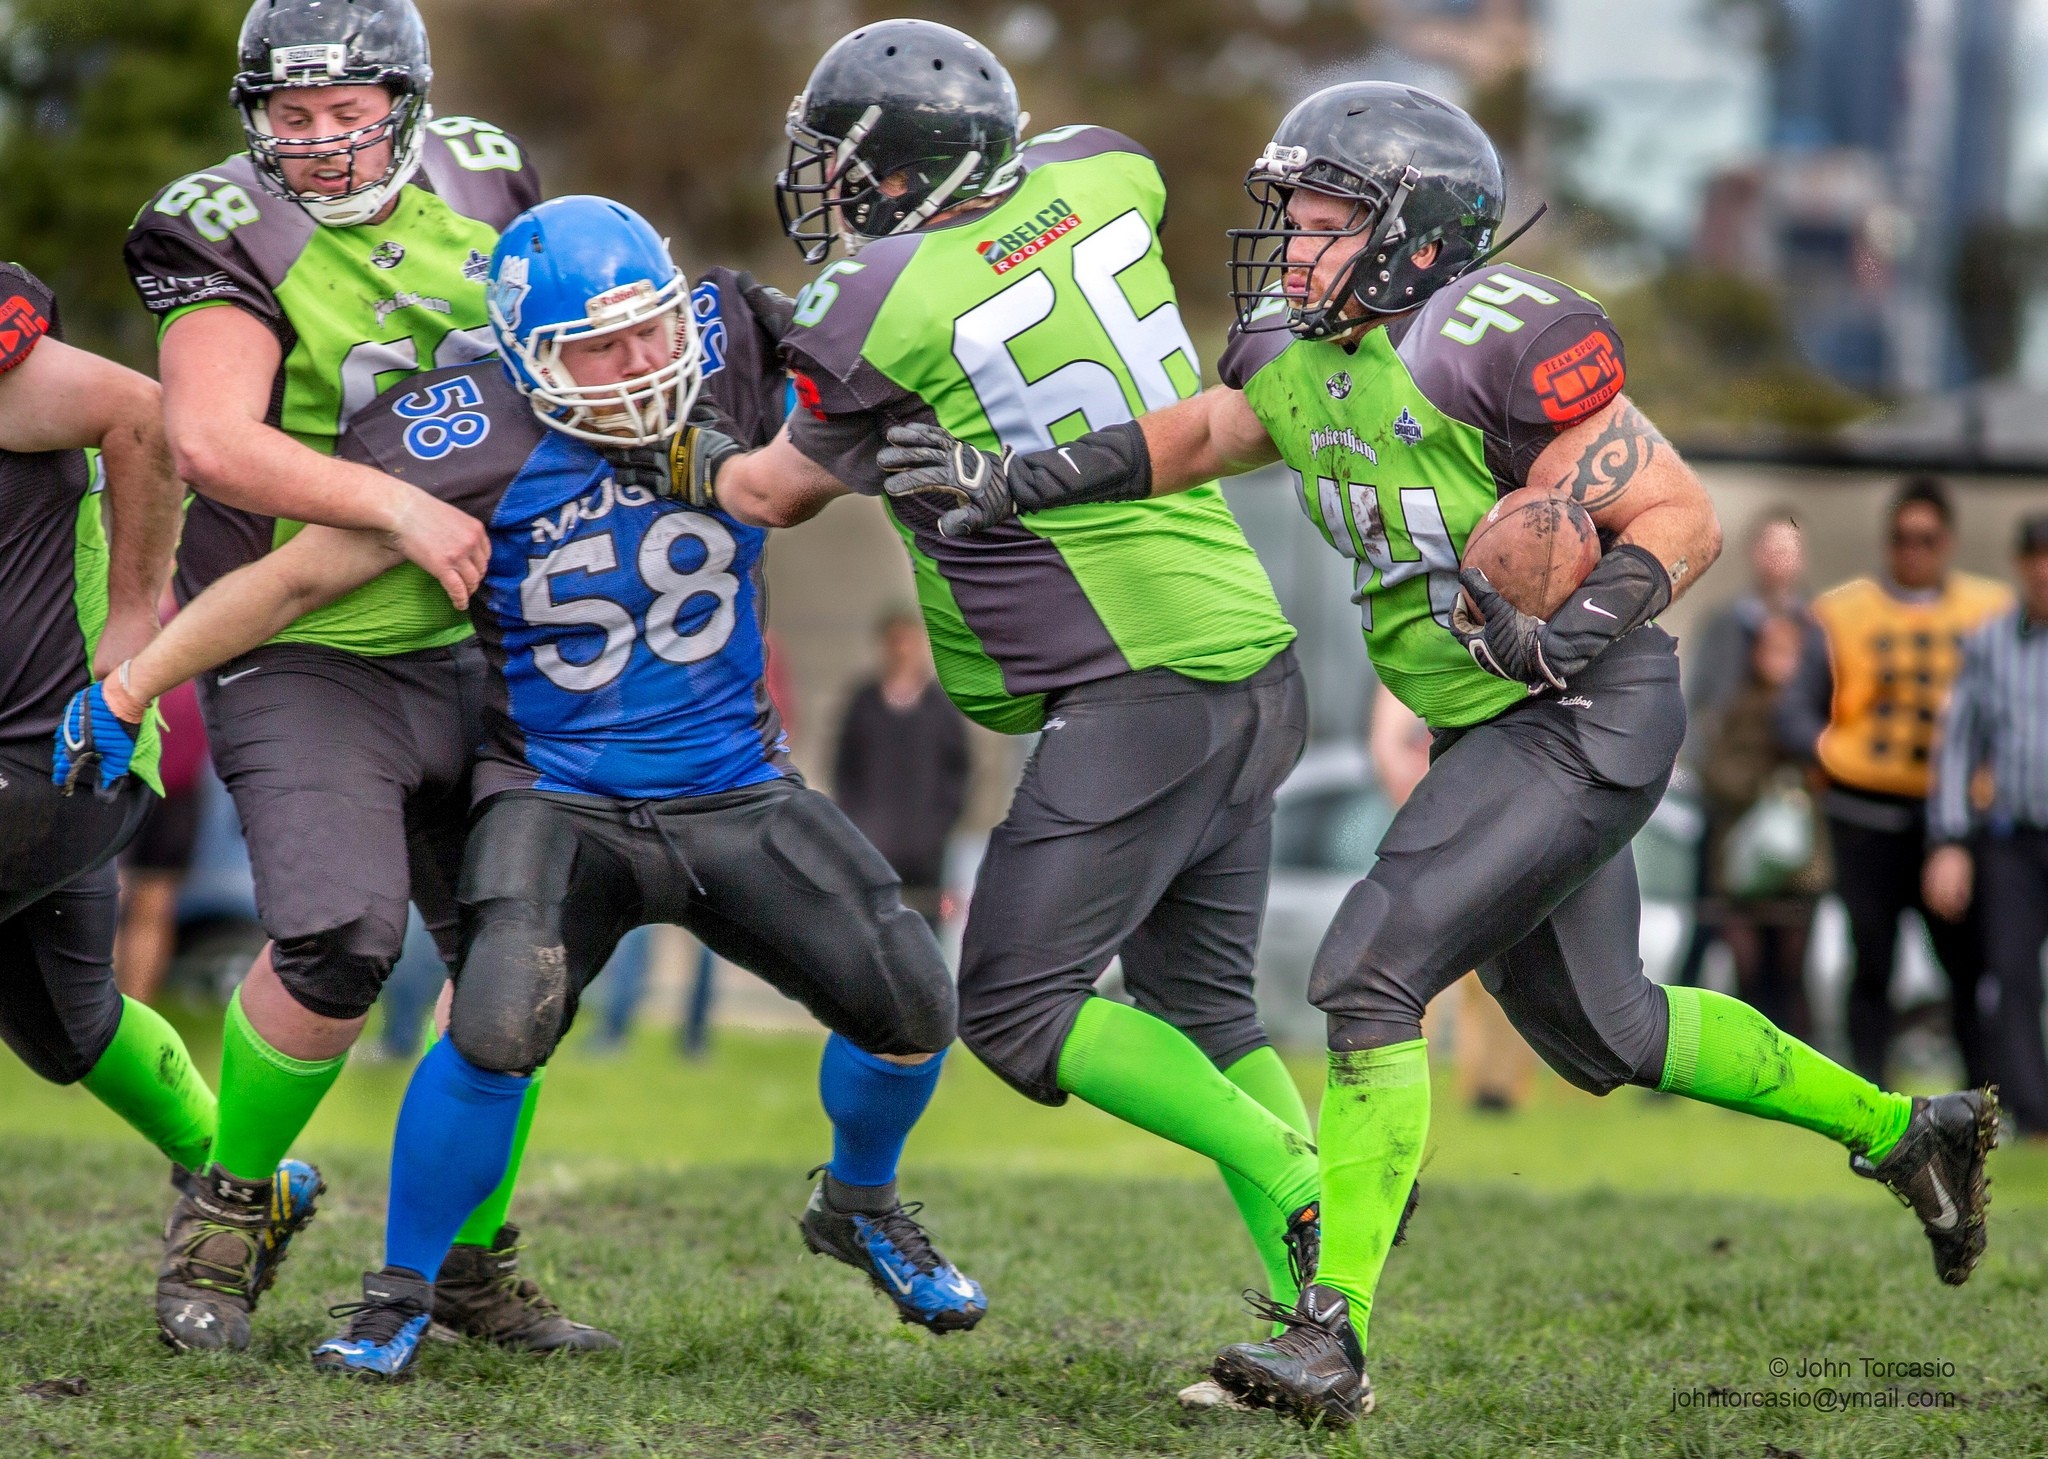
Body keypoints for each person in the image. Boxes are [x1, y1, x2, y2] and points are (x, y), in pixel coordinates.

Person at [880, 81, 2001, 1426]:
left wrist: (1563, 634)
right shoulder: (1292, 350)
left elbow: (1683, 516)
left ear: (1412, 230)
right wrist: (1013, 478)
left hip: (1583, 706)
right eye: (1288, 218)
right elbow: (1196, 436)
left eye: (1322, 220)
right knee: (1611, 1026)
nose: (1290, 246)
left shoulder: (1492, 340)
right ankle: (1905, 1130)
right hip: (1495, 720)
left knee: (1368, 970)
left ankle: (1329, 1334)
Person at [76, 197, 983, 1381]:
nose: (640, 366)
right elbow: (298, 580)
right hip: (561, 796)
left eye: (653, 333)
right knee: (495, 1021)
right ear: (522, 354)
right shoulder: (463, 432)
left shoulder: (743, 348)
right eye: (597, 350)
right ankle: (403, 1287)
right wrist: (137, 678)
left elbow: (910, 367)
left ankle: (858, 1205)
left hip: (735, 785)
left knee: (914, 1002)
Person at [703, 19, 1330, 1366]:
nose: (839, 193)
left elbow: (770, 490)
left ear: (905, 168)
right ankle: (1328, 1292)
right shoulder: (1110, 170)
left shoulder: (875, 304)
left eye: (852, 165)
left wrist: (697, 437)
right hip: (1247, 652)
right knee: (1210, 1008)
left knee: (1015, 1005)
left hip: (1141, 681)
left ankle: (1308, 1187)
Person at [121, 0, 603, 1356]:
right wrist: (397, 507)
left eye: (347, 111)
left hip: (491, 626)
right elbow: (211, 440)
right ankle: (230, 1199)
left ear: (410, 97)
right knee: (339, 938)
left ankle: (463, 1254)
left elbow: (553, 354)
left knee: (523, 960)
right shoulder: (209, 220)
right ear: (253, 110)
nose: (321, 141)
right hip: (306, 641)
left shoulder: (491, 169)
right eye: (291, 112)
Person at [0, 263, 221, 1196]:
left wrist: (135, 612)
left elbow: (140, 412)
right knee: (72, 1028)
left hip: (47, 752)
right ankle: (247, 1176)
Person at [1778, 478, 2011, 1087]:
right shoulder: (1840, 612)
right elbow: (1795, 708)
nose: (1913, 551)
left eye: (1926, 539)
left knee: (1969, 964)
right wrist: (1825, 752)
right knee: (1872, 960)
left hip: (1956, 819)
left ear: (1948, 542)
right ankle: (1869, 1096)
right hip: (1865, 813)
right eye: (1902, 539)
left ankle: (1985, 1098)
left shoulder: (1989, 612)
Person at [1925, 513, 2048, 1137]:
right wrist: (1949, 841)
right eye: (2036, 558)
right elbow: (1957, 747)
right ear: (2021, 565)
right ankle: (2035, 1114)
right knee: (2010, 975)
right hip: (2014, 839)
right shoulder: (1990, 642)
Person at [1671, 512, 1824, 990]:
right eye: (1771, 546)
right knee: (1715, 934)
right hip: (1729, 813)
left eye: (1789, 547)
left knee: (1792, 958)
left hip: (1797, 821)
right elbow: (1698, 713)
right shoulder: (1725, 627)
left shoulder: (1818, 628)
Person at [1370, 683, 1533, 1110]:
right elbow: (1388, 751)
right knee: (1414, 973)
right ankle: (1406, 1077)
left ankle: (1492, 1087)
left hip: (1473, 840)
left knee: (1487, 971)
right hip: (1431, 843)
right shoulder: (1409, 678)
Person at [1697, 614, 1826, 1034]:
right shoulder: (1739, 709)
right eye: (1773, 649)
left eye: (1791, 651)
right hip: (1741, 866)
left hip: (1798, 870)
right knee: (1747, 978)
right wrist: (1764, 783)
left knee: (1794, 978)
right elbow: (1716, 772)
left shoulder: (1817, 715)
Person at [833, 610, 970, 927]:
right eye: (895, 641)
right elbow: (845, 767)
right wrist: (857, 820)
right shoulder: (864, 702)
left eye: (908, 641)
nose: (902, 650)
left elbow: (958, 771)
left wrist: (939, 825)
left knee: (926, 925)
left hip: (925, 847)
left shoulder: (940, 706)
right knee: (874, 926)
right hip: (874, 842)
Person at [114, 674, 209, 1003]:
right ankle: (95, 1017)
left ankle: (135, 1013)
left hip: (177, 785)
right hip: (120, 779)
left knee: (153, 902)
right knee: (110, 899)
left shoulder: (198, 625)